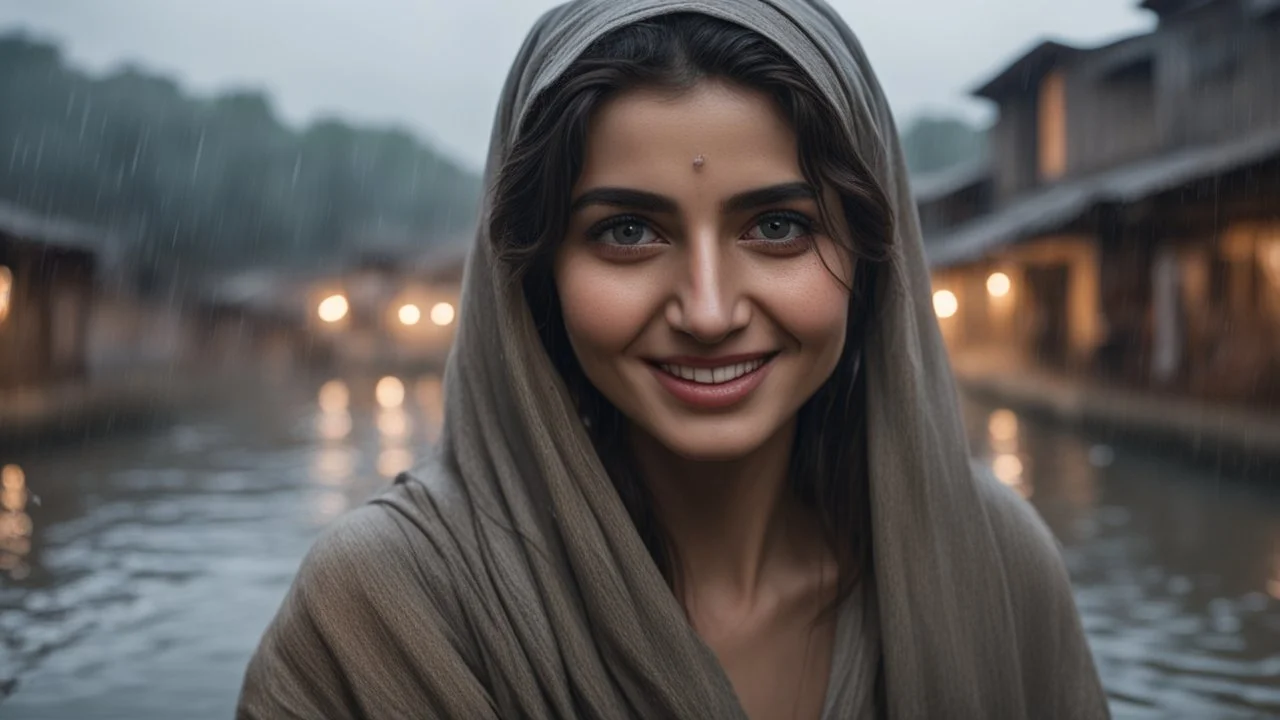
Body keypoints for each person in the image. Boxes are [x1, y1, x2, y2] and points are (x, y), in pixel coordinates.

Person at [237, 1, 1109, 718]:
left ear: (873, 261)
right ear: (535, 274)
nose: (707, 310)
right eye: (627, 231)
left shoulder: (993, 571)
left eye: (778, 227)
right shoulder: (388, 615)